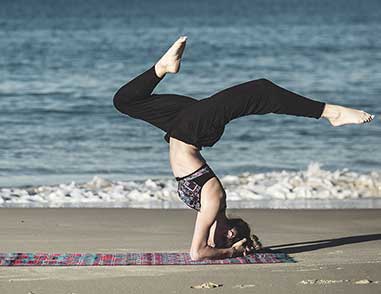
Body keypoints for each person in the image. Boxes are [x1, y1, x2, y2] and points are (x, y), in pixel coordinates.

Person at [113, 36, 374, 261]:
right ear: (232, 229)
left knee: (125, 101)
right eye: (232, 235)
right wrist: (236, 248)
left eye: (226, 240)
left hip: (183, 127)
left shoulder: (209, 207)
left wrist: (231, 252)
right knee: (261, 90)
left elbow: (198, 252)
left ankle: (163, 67)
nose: (227, 235)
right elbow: (202, 250)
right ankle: (330, 113)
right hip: (193, 130)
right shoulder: (215, 199)